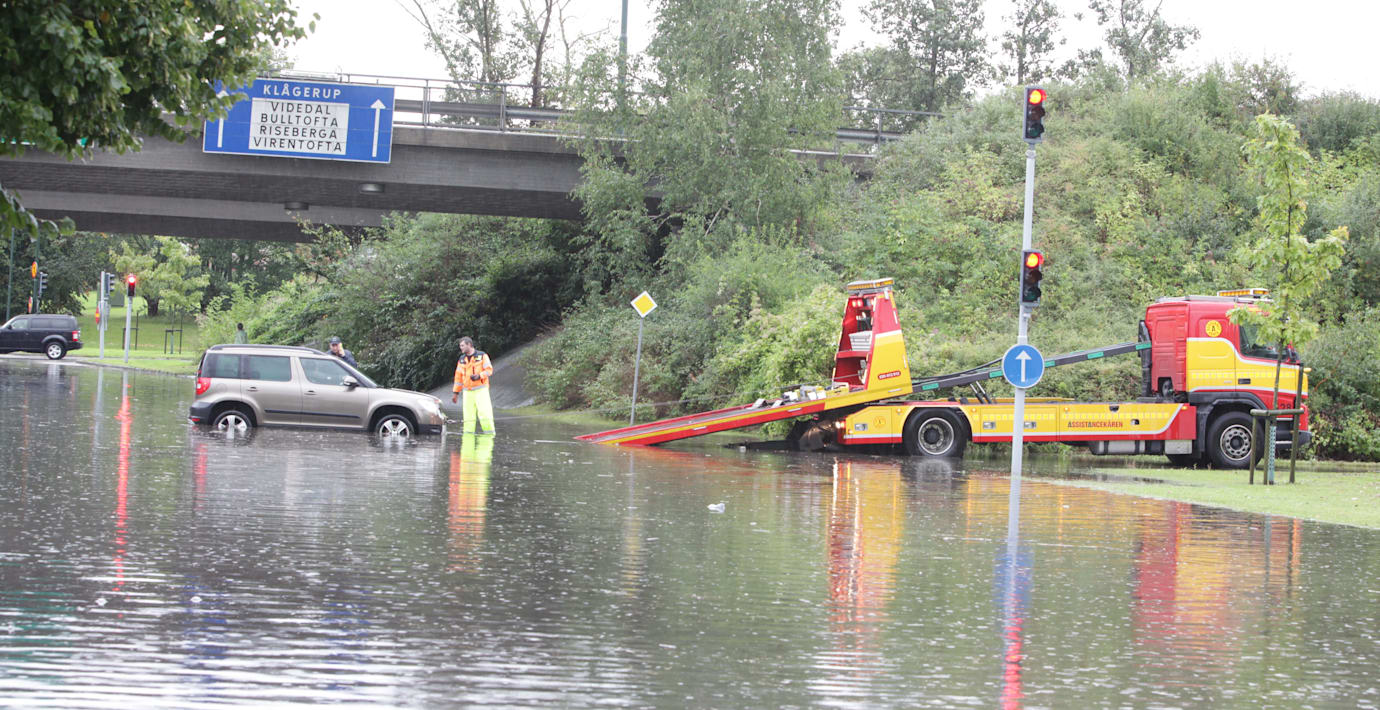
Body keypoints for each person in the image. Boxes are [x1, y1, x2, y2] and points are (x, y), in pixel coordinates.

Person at [451, 336, 495, 434]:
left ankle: (489, 434)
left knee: (484, 413)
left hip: (481, 390)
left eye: (462, 345)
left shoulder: (482, 356)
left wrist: (479, 376)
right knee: (468, 416)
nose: (461, 348)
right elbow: (458, 377)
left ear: (469, 345)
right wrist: (455, 393)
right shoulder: (461, 359)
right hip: (467, 391)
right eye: (460, 346)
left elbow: (489, 370)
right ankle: (468, 435)